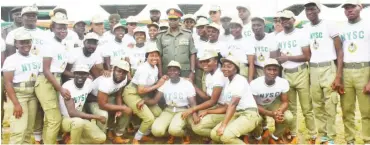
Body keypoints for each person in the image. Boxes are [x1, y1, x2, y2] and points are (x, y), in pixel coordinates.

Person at [273, 10, 316, 143]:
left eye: (287, 19)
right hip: (286, 73)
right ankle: (293, 133)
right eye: (282, 19)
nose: (284, 21)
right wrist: (278, 59)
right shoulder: (278, 37)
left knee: (306, 107)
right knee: (291, 108)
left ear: (293, 19)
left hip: (300, 71)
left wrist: (288, 57)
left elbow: (307, 56)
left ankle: (313, 134)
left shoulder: (301, 34)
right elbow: (275, 57)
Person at [304, 0, 344, 144]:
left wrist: (338, 75)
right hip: (313, 68)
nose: (310, 12)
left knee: (330, 103)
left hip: (328, 67)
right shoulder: (305, 28)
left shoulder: (329, 24)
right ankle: (323, 135)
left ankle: (332, 136)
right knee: (317, 104)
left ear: (318, 10)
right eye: (307, 10)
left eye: (312, 9)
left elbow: (340, 51)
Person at [34, 12, 70, 144]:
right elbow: (46, 70)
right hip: (46, 81)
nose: (62, 30)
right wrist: (60, 88)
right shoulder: (49, 43)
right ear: (52, 28)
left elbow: (59, 68)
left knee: (51, 119)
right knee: (55, 119)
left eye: (65, 28)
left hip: (55, 79)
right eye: (59, 27)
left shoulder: (62, 44)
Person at [144, 61, 198, 144]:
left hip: (182, 110)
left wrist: (194, 115)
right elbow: (155, 100)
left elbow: (193, 103)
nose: (172, 72)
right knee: (156, 131)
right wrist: (144, 100)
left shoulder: (186, 83)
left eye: (175, 70)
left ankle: (184, 134)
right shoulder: (165, 83)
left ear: (179, 71)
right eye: (170, 70)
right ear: (167, 72)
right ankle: (171, 133)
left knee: (175, 130)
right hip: (168, 110)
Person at [209, 56, 259, 144]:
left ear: (236, 69)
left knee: (226, 137)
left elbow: (233, 104)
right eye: (224, 66)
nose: (225, 68)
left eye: (229, 66)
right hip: (237, 114)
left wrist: (223, 125)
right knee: (214, 134)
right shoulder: (229, 83)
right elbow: (227, 107)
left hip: (249, 114)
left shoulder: (239, 80)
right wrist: (207, 111)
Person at [3, 30, 41, 144]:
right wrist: (16, 104)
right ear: (16, 44)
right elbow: (8, 83)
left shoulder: (36, 58)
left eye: (28, 42)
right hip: (19, 96)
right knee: (19, 130)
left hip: (33, 96)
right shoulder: (11, 60)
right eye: (22, 42)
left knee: (29, 131)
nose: (26, 45)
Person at [340, 0, 370, 144]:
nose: (349, 10)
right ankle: (350, 140)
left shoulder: (368, 25)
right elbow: (339, 53)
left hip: (364, 70)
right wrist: (338, 77)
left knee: (367, 111)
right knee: (347, 110)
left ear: (361, 7)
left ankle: (367, 139)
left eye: (352, 6)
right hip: (346, 71)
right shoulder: (341, 28)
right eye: (346, 7)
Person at [123, 46, 167, 144]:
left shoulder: (154, 67)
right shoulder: (144, 68)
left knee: (158, 113)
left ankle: (144, 134)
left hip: (143, 95)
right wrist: (158, 85)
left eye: (157, 56)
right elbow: (141, 90)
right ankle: (136, 139)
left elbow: (150, 85)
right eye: (151, 55)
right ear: (147, 57)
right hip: (132, 93)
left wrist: (161, 81)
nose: (154, 58)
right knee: (149, 118)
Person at [181, 49, 226, 143]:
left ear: (216, 61)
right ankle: (214, 130)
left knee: (197, 127)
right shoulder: (209, 75)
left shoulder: (219, 75)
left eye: (208, 61)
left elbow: (213, 101)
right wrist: (192, 84)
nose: (204, 64)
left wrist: (194, 109)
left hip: (224, 109)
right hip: (216, 106)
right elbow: (206, 97)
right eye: (202, 62)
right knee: (191, 118)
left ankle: (219, 137)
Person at [58, 65, 106, 144]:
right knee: (78, 122)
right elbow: (72, 112)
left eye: (83, 74)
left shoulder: (88, 83)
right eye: (78, 73)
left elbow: (93, 94)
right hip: (66, 119)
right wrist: (97, 117)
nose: (80, 76)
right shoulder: (67, 86)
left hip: (80, 118)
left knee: (101, 138)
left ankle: (71, 140)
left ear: (88, 75)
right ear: (74, 74)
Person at [250, 58, 293, 144]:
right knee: (254, 118)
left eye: (275, 70)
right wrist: (271, 114)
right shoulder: (255, 84)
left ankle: (274, 137)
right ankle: (257, 137)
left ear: (278, 71)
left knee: (288, 117)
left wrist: (279, 112)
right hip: (258, 105)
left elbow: (285, 102)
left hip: (272, 103)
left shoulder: (283, 82)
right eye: (269, 69)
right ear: (264, 70)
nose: (272, 72)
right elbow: (252, 105)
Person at [89, 60, 132, 144]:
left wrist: (119, 108)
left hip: (107, 97)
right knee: (103, 114)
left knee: (126, 111)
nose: (121, 74)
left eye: (124, 72)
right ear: (113, 69)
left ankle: (117, 135)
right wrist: (121, 107)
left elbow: (118, 95)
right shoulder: (106, 81)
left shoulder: (124, 78)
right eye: (119, 71)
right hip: (92, 100)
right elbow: (102, 105)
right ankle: (101, 139)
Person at [156, 8, 197, 81]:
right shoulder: (161, 36)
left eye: (175, 19)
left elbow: (192, 53)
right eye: (170, 19)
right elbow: (159, 56)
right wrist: (160, 72)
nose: (172, 22)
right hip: (167, 71)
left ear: (179, 20)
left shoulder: (187, 35)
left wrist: (192, 71)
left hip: (185, 71)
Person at [221, 18, 255, 83]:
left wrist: (250, 80)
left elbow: (251, 64)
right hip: (229, 71)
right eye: (231, 27)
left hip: (242, 71)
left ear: (241, 28)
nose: (233, 29)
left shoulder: (247, 42)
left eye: (236, 27)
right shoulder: (228, 42)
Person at [194, 18, 209, 94]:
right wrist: (202, 67)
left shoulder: (212, 40)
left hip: (211, 68)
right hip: (199, 69)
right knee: (200, 90)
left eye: (202, 27)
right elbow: (195, 58)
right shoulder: (195, 42)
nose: (199, 30)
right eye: (198, 28)